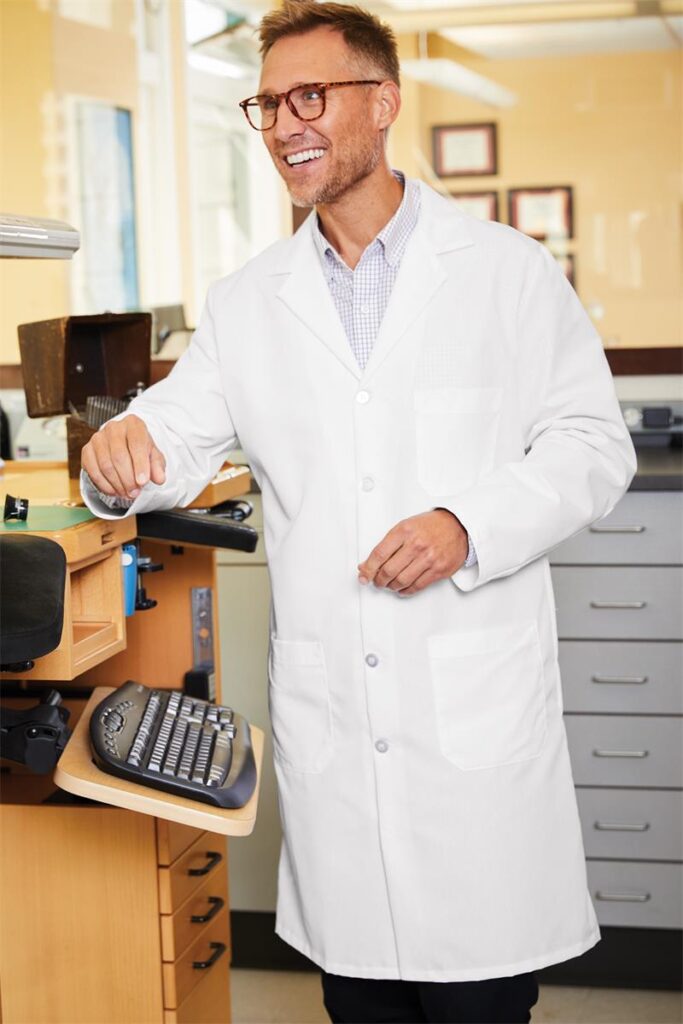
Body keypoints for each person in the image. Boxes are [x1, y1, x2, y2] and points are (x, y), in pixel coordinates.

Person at [81, 2, 637, 1021]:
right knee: (361, 1002)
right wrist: (118, 455)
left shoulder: (504, 273)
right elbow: (170, 437)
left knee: (478, 1003)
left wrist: (467, 524)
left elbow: (591, 447)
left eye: (311, 96)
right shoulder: (250, 302)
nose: (286, 124)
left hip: (472, 736)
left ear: (380, 102)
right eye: (266, 104)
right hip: (339, 737)